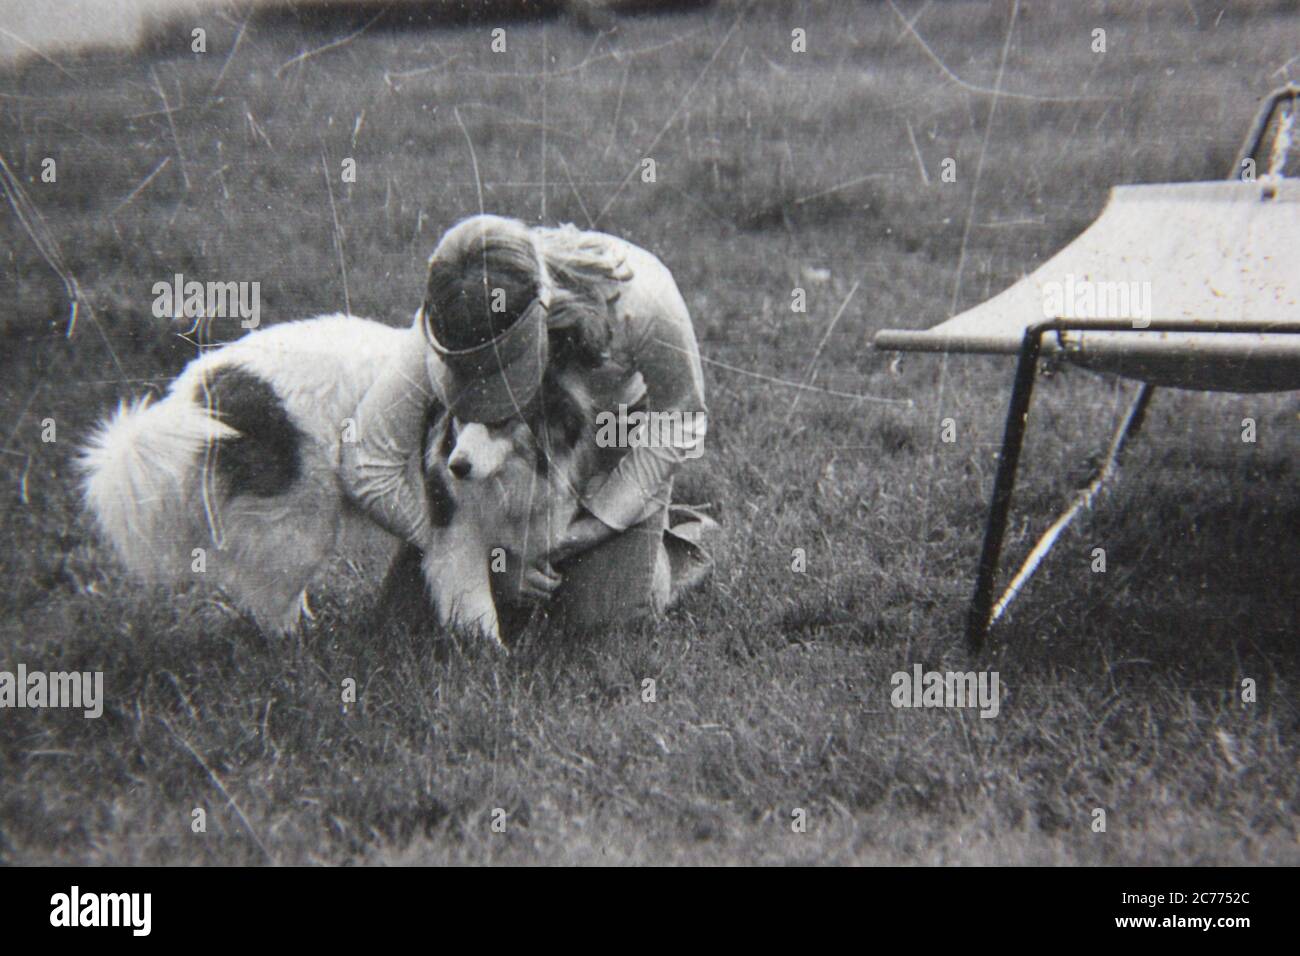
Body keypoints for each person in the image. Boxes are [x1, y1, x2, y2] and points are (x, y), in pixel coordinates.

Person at [340, 213, 713, 635]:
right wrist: (483, 555)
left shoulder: (642, 298)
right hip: (494, 475)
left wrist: (596, 526)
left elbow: (681, 420)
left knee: (593, 620)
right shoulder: (450, 316)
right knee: (406, 626)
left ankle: (675, 541)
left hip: (611, 442)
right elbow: (367, 463)